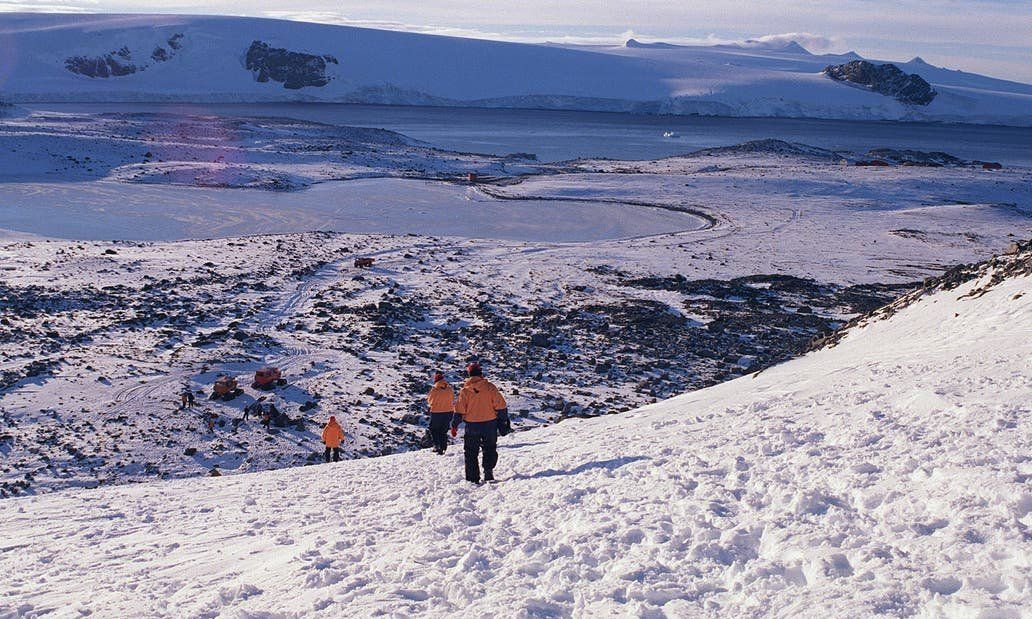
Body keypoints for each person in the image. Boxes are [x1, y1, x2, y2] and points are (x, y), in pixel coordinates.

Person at [451, 363, 511, 484]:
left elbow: (459, 410)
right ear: (481, 374)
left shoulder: (465, 391)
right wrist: (503, 420)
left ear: (469, 375)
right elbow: (501, 405)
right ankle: (488, 471)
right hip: (489, 423)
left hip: (472, 425)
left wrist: (454, 425)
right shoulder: (490, 387)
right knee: (489, 448)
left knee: (471, 452)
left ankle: (473, 479)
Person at [426, 371, 455, 455]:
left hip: (437, 412)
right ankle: (443, 447)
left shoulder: (434, 390)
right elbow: (452, 399)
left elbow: (430, 401)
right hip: (449, 412)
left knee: (433, 429)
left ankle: (437, 445)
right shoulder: (449, 389)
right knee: (443, 430)